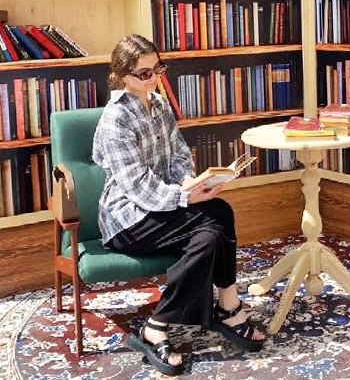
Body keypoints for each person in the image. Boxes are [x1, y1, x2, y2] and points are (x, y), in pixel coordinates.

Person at [92, 33, 266, 375]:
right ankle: (227, 307)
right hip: (127, 220)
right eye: (145, 73)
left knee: (210, 236)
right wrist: (185, 196)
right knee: (218, 212)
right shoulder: (115, 120)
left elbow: (179, 157)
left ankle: (157, 326)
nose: (154, 78)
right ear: (123, 76)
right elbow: (138, 187)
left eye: (158, 68)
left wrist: (190, 182)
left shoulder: (159, 105)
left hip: (164, 207)